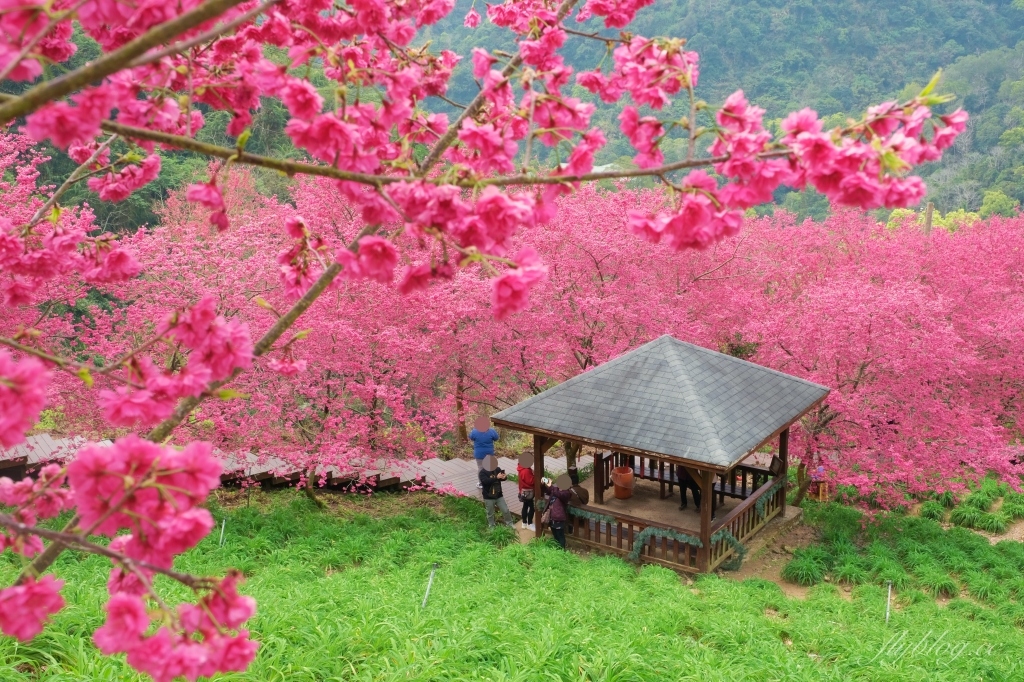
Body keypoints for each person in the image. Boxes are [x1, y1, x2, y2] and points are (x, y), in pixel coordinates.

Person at [479, 455, 513, 528]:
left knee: (505, 510)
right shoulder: (482, 473)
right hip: (488, 496)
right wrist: (496, 477)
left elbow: (501, 479)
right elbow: (486, 482)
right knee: (490, 513)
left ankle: (510, 524)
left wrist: (504, 477)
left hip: (498, 495)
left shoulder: (497, 469)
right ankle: (492, 526)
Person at [469, 416, 499, 489]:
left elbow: (470, 437)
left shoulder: (474, 431)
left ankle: (481, 483)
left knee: (480, 468)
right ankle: (491, 481)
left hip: (479, 454)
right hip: (489, 453)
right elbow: (496, 438)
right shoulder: (491, 431)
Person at [545, 480, 572, 549]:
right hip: (552, 516)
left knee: (560, 535)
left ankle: (562, 550)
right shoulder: (556, 489)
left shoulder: (566, 493)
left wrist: (551, 486)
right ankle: (557, 549)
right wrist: (543, 484)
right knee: (555, 535)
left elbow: (558, 494)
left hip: (559, 517)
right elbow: (547, 491)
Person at [517, 452, 536, 531]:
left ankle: (524, 523)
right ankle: (529, 523)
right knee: (532, 507)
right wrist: (535, 475)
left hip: (523, 491)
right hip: (528, 492)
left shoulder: (521, 467)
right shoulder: (526, 471)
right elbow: (531, 481)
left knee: (525, 506)